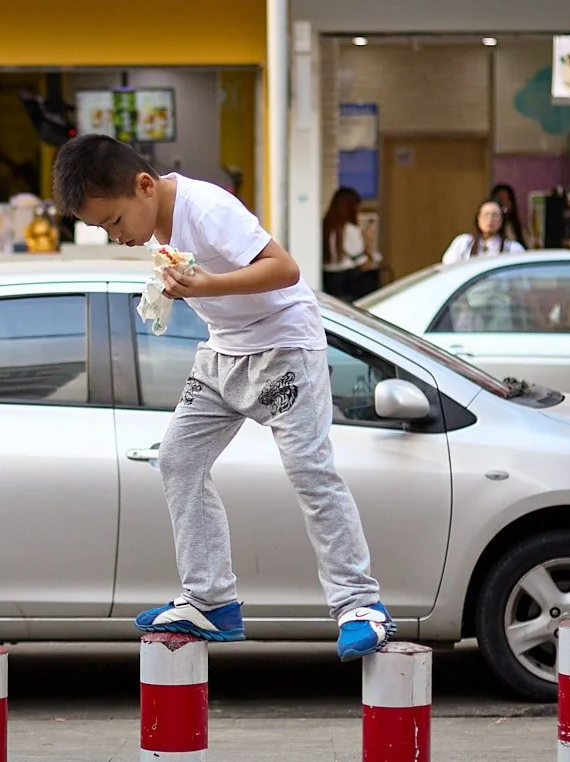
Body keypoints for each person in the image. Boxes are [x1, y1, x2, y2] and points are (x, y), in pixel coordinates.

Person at [52, 133, 393, 661]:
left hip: (283, 348)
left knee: (309, 471)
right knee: (178, 459)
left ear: (144, 186)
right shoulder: (152, 222)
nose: (117, 236)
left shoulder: (207, 207)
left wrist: (207, 285)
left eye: (114, 221)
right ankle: (210, 600)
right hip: (222, 355)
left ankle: (360, 604)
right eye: (103, 229)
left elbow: (285, 269)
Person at [319, 186, 380, 301]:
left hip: (329, 279)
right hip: (348, 283)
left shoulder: (326, 226)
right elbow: (363, 263)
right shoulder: (349, 230)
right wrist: (367, 240)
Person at [442, 201, 527, 265]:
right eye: (486, 214)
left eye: (495, 215)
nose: (490, 219)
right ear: (478, 218)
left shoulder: (513, 248)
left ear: (502, 220)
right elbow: (448, 266)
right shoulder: (463, 242)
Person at [489, 182, 530, 248]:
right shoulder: (488, 228)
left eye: (507, 200)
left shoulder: (520, 231)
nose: (504, 204)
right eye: (500, 200)